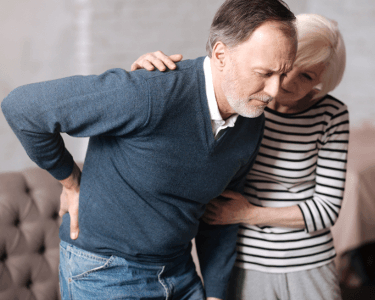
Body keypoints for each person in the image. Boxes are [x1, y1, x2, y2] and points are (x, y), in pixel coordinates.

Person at [1, 1, 297, 299]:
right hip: (105, 273)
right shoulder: (149, 91)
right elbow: (23, 108)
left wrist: (216, 293)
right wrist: (70, 181)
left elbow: (221, 213)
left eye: (283, 75)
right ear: (221, 54)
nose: (274, 92)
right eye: (264, 73)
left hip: (179, 271)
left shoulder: (251, 117)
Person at [131, 13, 348, 300]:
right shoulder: (244, 102)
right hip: (245, 261)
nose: (286, 83)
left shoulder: (331, 114)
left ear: (324, 79)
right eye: (288, 67)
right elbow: (187, 106)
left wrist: (248, 213)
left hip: (309, 263)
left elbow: (327, 209)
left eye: (307, 76)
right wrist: (142, 76)